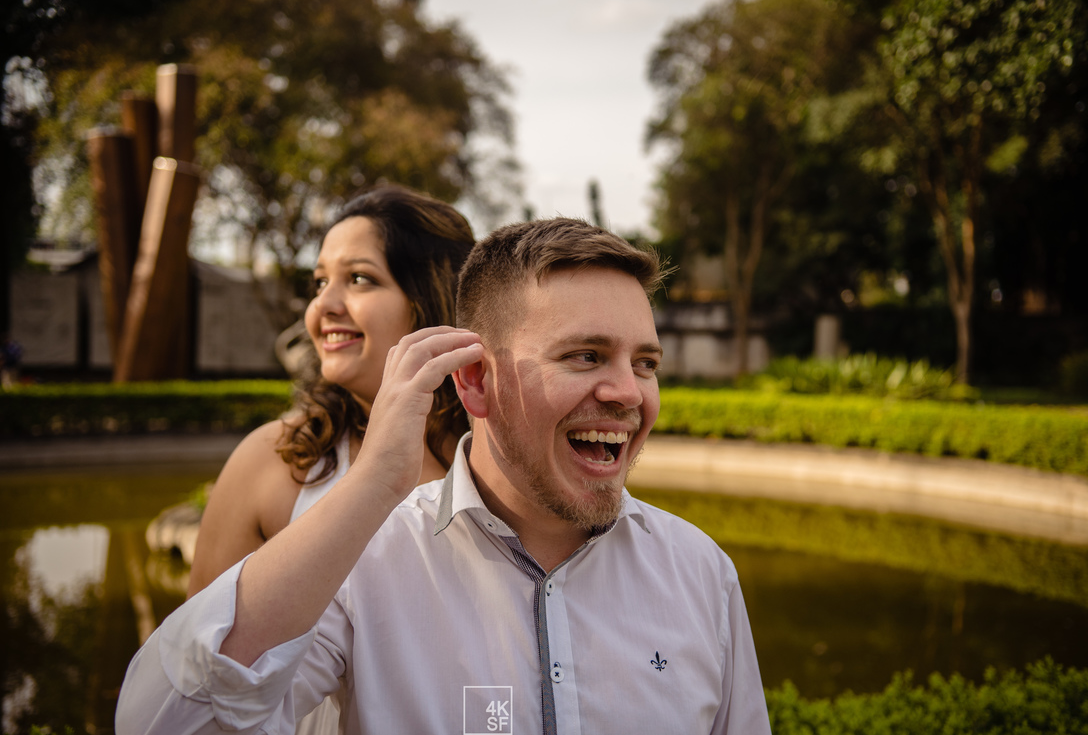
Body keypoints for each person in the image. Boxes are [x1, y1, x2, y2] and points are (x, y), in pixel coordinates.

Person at [117, 218, 772, 734]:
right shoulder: (362, 565)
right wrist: (373, 482)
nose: (629, 392)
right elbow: (168, 720)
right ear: (477, 379)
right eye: (586, 355)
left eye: (646, 362)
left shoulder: (700, 574)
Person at [184, 184, 476, 731]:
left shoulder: (495, 461)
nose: (323, 307)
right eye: (319, 282)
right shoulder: (273, 462)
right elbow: (199, 673)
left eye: (359, 278)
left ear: (430, 299)